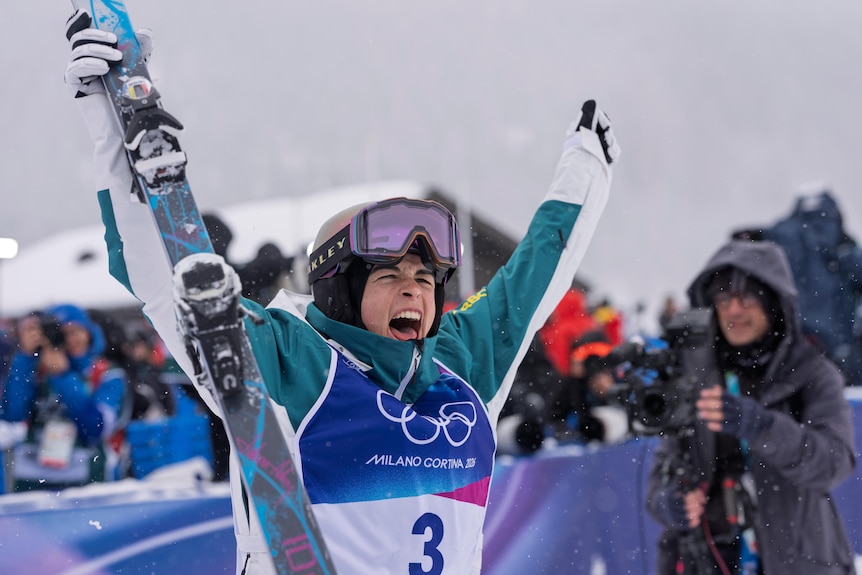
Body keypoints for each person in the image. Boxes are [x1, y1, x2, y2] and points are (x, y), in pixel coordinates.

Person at [64, 9, 619, 574]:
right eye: (389, 276)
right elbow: (168, 284)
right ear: (339, 292)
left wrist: (586, 167)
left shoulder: (460, 366)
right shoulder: (295, 362)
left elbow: (534, 275)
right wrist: (112, 116)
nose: (414, 294)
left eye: (425, 280)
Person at [645, 239, 856, 574]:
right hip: (709, 560)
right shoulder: (694, 377)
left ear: (774, 303)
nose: (734, 309)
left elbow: (834, 462)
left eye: (747, 296)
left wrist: (761, 426)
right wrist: (671, 504)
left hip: (798, 563)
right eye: (724, 298)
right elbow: (659, 478)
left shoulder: (812, 373)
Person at [0, 304, 128, 491]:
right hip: (31, 482)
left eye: (76, 331)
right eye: (63, 333)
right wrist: (26, 357)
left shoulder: (106, 374)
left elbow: (96, 428)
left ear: (90, 333)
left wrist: (63, 377)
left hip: (87, 482)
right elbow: (12, 414)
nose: (71, 339)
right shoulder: (35, 370)